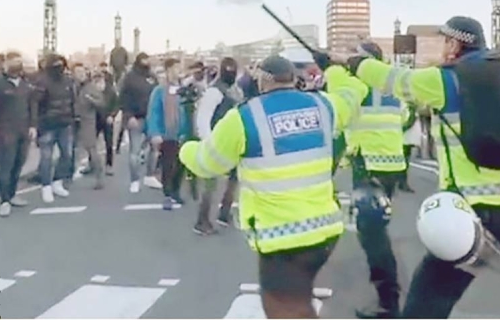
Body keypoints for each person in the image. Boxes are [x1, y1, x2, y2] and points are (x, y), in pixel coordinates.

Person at [348, 16, 500, 318]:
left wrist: (357, 64)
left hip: (477, 211)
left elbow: (395, 80)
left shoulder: (446, 79)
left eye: (444, 41)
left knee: (428, 302)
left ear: (454, 44)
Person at [179, 54, 364, 318]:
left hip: (282, 237)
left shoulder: (244, 117)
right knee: (298, 302)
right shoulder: (324, 105)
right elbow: (352, 94)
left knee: (285, 309)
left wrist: (186, 149)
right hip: (325, 230)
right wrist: (334, 68)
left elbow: (209, 163)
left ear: (263, 80)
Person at [344, 42, 404, 319]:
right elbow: (404, 117)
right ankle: (387, 297)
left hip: (367, 164)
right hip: (391, 163)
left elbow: (340, 114)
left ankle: (387, 302)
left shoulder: (357, 86)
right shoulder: (393, 85)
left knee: (373, 236)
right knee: (378, 230)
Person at [192, 57, 243, 235]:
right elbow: (203, 118)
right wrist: (208, 142)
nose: (231, 73)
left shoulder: (234, 90)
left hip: (233, 140)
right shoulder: (215, 91)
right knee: (210, 184)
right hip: (216, 141)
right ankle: (202, 220)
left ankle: (224, 212)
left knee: (234, 178)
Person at [0, 52, 38, 217]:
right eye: (14, 62)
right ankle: (4, 201)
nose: (17, 65)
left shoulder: (25, 85)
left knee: (19, 164)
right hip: (4, 131)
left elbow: (32, 107)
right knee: (6, 166)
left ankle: (13, 194)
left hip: (23, 130)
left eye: (19, 62)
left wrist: (33, 126)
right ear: (6, 64)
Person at [146, 58, 191, 207]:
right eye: (174, 69)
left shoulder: (183, 89)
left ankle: (176, 191)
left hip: (182, 133)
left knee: (181, 164)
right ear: (167, 71)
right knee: (168, 165)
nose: (177, 72)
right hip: (167, 133)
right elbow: (154, 112)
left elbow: (187, 109)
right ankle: (167, 194)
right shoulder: (159, 91)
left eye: (179, 68)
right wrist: (155, 132)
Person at [35, 55, 75, 203]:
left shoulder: (68, 81)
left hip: (65, 124)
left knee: (67, 155)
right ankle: (46, 186)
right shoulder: (42, 82)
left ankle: (57, 182)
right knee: (46, 157)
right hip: (47, 125)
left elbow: (72, 100)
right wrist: (37, 124)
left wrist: (73, 118)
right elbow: (36, 104)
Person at [120, 52, 161, 193]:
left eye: (147, 60)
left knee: (155, 148)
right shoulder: (129, 78)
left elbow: (158, 96)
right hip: (136, 118)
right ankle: (134, 180)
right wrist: (129, 116)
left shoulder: (152, 77)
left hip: (152, 118)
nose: (146, 62)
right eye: (143, 60)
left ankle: (150, 175)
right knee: (134, 152)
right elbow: (123, 99)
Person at [74, 70, 106, 189]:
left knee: (91, 148)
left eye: (81, 74)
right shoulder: (74, 86)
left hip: (87, 120)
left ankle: (99, 175)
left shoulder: (90, 88)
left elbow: (101, 102)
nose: (79, 76)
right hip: (74, 120)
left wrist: (90, 99)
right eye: (77, 73)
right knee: (79, 149)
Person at [400, 102, 420, 192]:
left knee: (405, 161)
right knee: (403, 162)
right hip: (403, 138)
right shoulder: (405, 106)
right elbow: (407, 123)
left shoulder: (411, 108)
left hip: (407, 138)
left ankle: (402, 182)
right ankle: (401, 183)